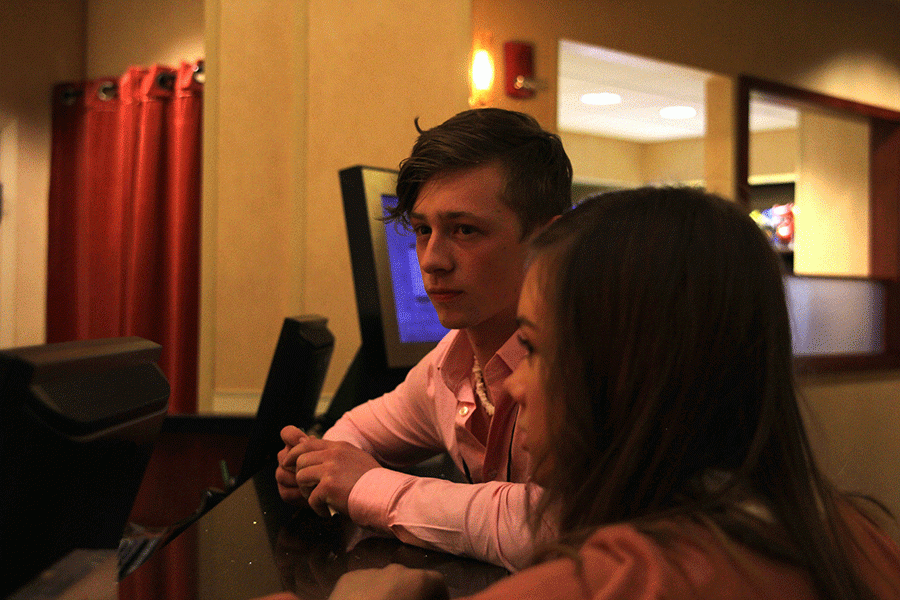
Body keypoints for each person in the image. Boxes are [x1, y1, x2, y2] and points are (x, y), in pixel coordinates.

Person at [260, 186, 900, 600]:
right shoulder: (861, 535)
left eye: (534, 348)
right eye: (422, 231)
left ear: (627, 368)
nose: (514, 382)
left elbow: (535, 522)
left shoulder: (616, 582)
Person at [275, 108, 573, 571]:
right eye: (422, 230)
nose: (431, 260)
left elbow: (548, 525)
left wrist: (367, 486)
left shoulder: (586, 360)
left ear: (546, 242)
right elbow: (356, 430)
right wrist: (316, 464)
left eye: (465, 230)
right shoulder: (450, 364)